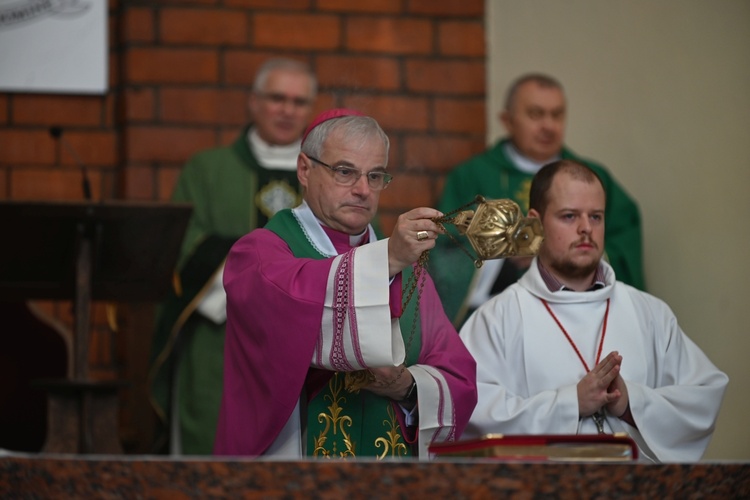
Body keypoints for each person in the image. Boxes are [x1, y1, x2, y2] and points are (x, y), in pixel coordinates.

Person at [213, 109, 477, 459]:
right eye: (344, 172)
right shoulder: (260, 252)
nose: (363, 190)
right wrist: (387, 261)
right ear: (305, 170)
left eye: (376, 175)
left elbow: (457, 375)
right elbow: (293, 306)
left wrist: (409, 386)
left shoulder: (410, 270)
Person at [459, 159, 728, 462]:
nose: (586, 228)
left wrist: (630, 404)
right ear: (535, 222)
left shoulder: (649, 313)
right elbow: (472, 414)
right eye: (569, 216)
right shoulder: (496, 319)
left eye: (596, 217)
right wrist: (570, 403)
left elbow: (704, 395)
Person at [148, 58, 318, 455]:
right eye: (277, 98)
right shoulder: (207, 170)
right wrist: (259, 285)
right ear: (254, 102)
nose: (287, 110)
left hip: (308, 346)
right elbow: (183, 244)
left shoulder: (332, 175)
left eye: (299, 101)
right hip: (219, 337)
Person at [432, 73, 644, 327]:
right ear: (507, 121)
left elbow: (624, 246)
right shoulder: (472, 177)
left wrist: (559, 251)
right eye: (536, 114)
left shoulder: (593, 178)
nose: (548, 126)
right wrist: (504, 253)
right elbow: (444, 251)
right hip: (495, 319)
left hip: (576, 314)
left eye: (557, 115)